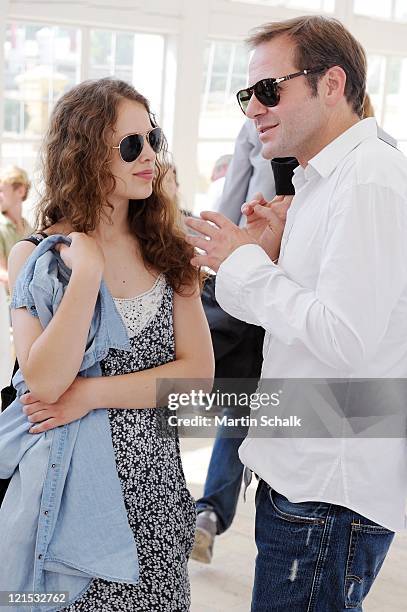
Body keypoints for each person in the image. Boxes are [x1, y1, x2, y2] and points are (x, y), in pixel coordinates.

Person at [185, 15, 407, 611]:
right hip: (306, 475)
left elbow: (345, 338)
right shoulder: (323, 182)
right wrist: (268, 254)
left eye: (269, 90)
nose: (253, 108)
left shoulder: (366, 182)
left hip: (327, 490)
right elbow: (303, 314)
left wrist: (243, 264)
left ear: (331, 84)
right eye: (246, 95)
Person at [1, 77, 214, 611]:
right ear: (87, 152)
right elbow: (45, 381)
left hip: (157, 493)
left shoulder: (168, 248)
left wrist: (89, 394)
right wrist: (87, 274)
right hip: (71, 496)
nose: (149, 156)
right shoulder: (38, 256)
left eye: (152, 139)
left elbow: (198, 381)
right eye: (129, 144)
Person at [192, 122, 276, 563]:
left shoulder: (256, 125)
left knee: (241, 405)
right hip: (279, 281)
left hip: (246, 274)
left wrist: (211, 263)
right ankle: (208, 513)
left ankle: (207, 514)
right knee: (249, 407)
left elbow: (229, 205)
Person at [0, 166, 33, 391]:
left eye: (2, 191)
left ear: (20, 191)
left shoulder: (28, 227)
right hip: (12, 303)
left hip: (27, 301)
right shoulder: (2, 228)